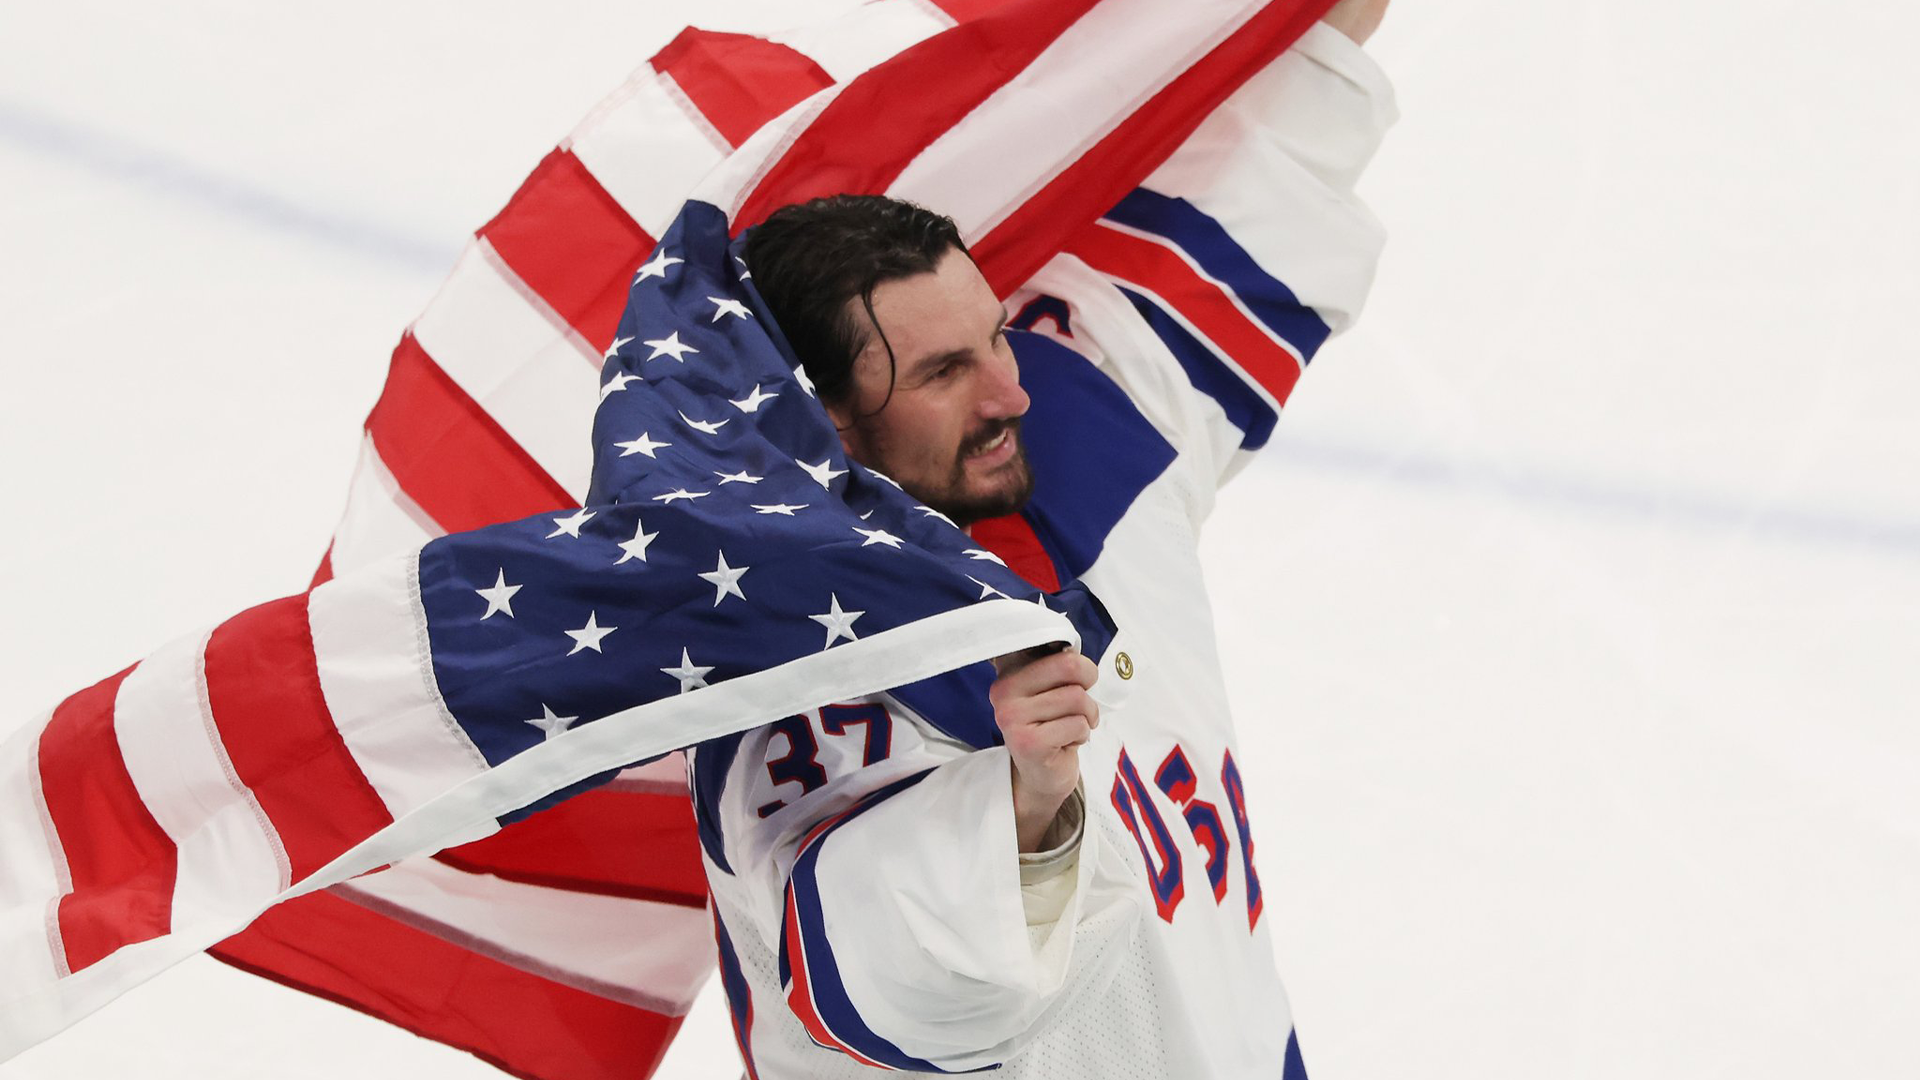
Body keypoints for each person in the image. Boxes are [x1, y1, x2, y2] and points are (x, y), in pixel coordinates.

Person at [688, 3, 1396, 1076]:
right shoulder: (788, 684)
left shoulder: (1069, 424)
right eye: (941, 372)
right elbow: (883, 981)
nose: (1008, 387)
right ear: (823, 418)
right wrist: (1020, 807)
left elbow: (1284, 93)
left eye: (993, 333)